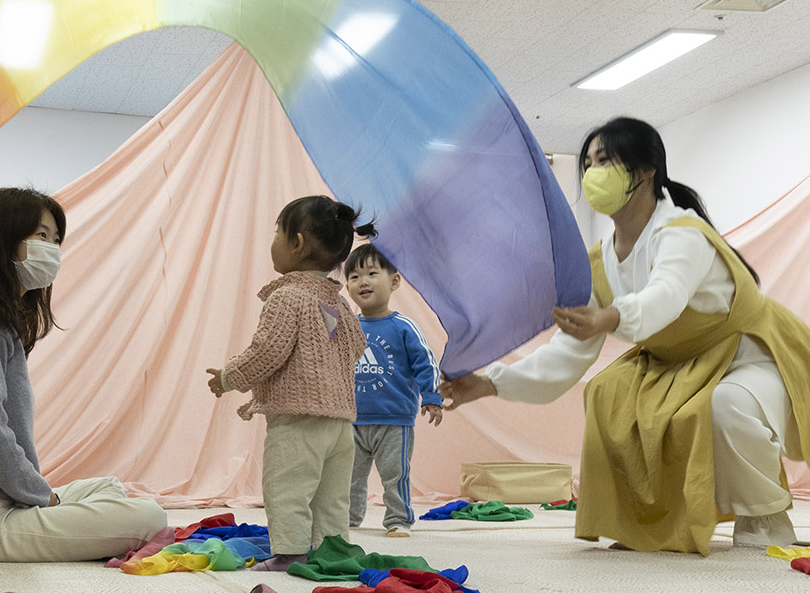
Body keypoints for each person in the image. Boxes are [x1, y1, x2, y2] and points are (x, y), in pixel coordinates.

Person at [442, 117, 810, 555]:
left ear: (645, 169)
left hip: (748, 354)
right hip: (677, 365)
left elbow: (666, 295)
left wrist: (612, 317)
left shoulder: (684, 233)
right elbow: (569, 353)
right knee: (607, 393)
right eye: (589, 163)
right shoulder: (599, 261)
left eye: (605, 160)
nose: (593, 172)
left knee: (727, 406)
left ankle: (765, 518)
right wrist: (487, 384)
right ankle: (644, 522)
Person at [0, 188, 166, 562]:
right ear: (4, 239)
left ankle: (52, 510)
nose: (52, 249)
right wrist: (43, 497)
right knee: (150, 516)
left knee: (109, 487)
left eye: (56, 239)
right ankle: (54, 511)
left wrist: (38, 495)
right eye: (41, 237)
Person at [206, 195, 372, 570]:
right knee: (331, 497)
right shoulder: (340, 304)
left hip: (299, 420)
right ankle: (331, 549)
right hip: (341, 422)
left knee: (288, 488)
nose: (273, 242)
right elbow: (355, 348)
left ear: (296, 243)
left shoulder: (287, 297)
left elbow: (267, 351)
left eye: (277, 232)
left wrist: (229, 376)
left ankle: (291, 551)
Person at [344, 244, 442, 538]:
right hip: (352, 418)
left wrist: (432, 397)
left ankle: (398, 519)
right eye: (354, 277)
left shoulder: (403, 326)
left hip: (394, 419)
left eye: (372, 273)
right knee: (348, 476)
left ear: (394, 281)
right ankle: (347, 518)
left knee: (395, 474)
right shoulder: (347, 326)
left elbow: (426, 364)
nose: (363, 281)